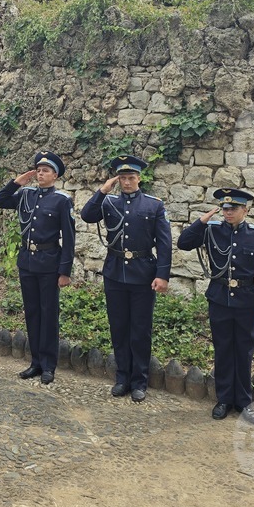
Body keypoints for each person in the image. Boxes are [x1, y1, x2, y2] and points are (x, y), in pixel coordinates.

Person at [178, 188, 254, 425]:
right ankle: (223, 399)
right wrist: (201, 221)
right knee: (222, 349)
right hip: (220, 297)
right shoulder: (210, 230)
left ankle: (243, 401)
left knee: (243, 351)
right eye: (225, 208)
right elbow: (183, 243)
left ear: (246, 210)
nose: (228, 212)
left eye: (233, 209)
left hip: (246, 300)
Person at [81, 155, 171, 402]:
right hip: (115, 273)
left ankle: (139, 381)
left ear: (139, 179)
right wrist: (102, 191)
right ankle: (122, 378)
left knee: (140, 330)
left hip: (143, 274)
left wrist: (162, 275)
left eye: (131, 178)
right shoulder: (109, 202)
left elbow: (164, 243)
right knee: (119, 328)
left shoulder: (154, 205)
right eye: (123, 178)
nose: (127, 182)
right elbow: (87, 216)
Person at [0, 151, 75, 385]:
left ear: (55, 175)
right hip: (27, 262)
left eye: (45, 171)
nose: (40, 174)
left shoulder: (62, 200)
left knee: (48, 315)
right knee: (32, 313)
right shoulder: (25, 195)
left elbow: (69, 238)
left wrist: (64, 271)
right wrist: (16, 183)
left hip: (49, 263)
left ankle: (49, 366)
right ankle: (35, 362)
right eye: (38, 170)